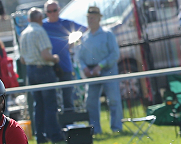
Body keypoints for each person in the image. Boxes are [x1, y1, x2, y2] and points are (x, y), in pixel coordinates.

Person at [19, 8, 64, 144]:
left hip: (31, 71)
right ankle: (55, 135)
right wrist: (55, 58)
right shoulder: (39, 31)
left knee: (38, 105)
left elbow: (22, 59)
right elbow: (46, 55)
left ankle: (40, 136)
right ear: (39, 19)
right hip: (43, 70)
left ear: (29, 19)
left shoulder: (23, 33)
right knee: (50, 104)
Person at [76, 5, 123, 135]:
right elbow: (79, 57)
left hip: (108, 70)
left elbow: (114, 54)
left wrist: (100, 66)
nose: (90, 20)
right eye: (88, 18)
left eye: (92, 17)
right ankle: (95, 129)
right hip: (91, 73)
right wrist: (85, 68)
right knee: (90, 101)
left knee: (113, 99)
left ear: (98, 18)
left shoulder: (107, 34)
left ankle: (117, 127)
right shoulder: (84, 38)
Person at [43, 0, 86, 113]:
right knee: (51, 99)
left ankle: (70, 124)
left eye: (55, 10)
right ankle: (55, 128)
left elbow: (84, 29)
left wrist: (74, 42)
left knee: (67, 96)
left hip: (64, 65)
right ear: (46, 12)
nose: (52, 13)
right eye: (49, 11)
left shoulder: (66, 23)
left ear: (59, 10)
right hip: (48, 66)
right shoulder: (42, 25)